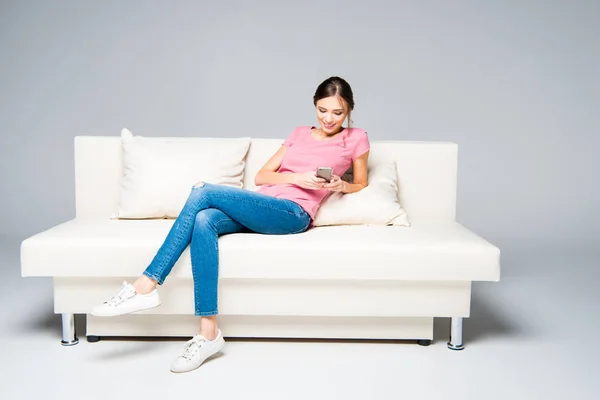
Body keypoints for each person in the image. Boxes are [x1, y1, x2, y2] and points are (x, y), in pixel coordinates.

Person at [90, 76, 371, 373]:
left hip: (293, 213)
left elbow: (362, 183)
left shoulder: (356, 138)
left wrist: (341, 186)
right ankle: (208, 332)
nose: (328, 118)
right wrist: (296, 177)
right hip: (263, 203)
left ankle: (146, 284)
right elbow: (262, 176)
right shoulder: (299, 134)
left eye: (337, 113)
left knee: (203, 190)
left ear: (349, 110)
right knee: (203, 218)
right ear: (314, 105)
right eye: (322, 110)